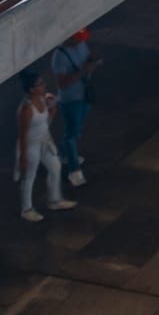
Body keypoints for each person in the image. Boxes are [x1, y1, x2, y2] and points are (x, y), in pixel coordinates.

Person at [15, 72, 74, 224]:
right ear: (31, 89)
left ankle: (54, 200)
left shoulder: (42, 99)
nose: (44, 85)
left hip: (45, 141)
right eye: (40, 84)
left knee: (55, 167)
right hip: (31, 145)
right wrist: (23, 156)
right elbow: (22, 134)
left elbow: (44, 124)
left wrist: (53, 111)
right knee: (29, 176)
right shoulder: (26, 109)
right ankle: (26, 209)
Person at [49, 31, 98, 187]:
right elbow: (62, 84)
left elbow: (88, 55)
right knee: (72, 135)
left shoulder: (81, 44)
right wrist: (85, 70)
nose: (80, 42)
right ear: (69, 37)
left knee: (75, 131)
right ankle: (74, 171)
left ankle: (64, 155)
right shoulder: (59, 57)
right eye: (78, 39)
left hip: (84, 95)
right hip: (71, 101)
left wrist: (93, 60)